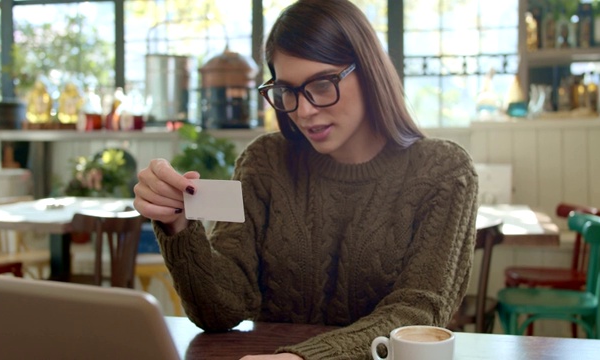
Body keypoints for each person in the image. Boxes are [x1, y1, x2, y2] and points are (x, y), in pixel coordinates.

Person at [133, 0, 478, 359]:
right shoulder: (264, 162)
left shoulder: (444, 172)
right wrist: (178, 225)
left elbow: (416, 312)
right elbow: (220, 310)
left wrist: (305, 358)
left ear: (370, 71)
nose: (304, 109)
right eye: (287, 91)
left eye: (323, 84)